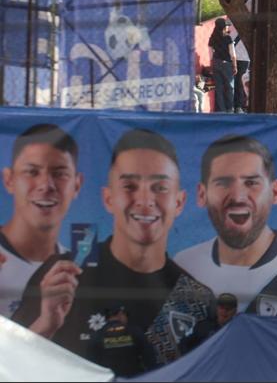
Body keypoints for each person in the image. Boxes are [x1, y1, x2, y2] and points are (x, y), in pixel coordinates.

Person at [13, 129, 213, 365]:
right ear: (108, 198)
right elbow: (11, 367)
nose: (145, 200)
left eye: (160, 188)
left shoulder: (195, 299)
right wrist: (45, 324)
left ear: (178, 202)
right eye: (129, 186)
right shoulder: (61, 275)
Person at [174, 135, 277, 318]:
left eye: (251, 183)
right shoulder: (183, 266)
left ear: (275, 192)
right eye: (223, 183)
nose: (238, 197)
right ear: (202, 194)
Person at [0, 125, 83, 318]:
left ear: (77, 185)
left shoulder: (77, 268)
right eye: (32, 172)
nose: (46, 186)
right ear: (9, 180)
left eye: (59, 173)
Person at [88, 305, 156, 376]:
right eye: (125, 315)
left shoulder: (97, 335)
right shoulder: (134, 331)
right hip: (133, 378)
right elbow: (149, 357)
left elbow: (91, 363)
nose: (126, 318)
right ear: (120, 314)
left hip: (109, 379)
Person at [208, 18, 237, 113]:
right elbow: (233, 54)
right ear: (223, 27)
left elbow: (210, 55)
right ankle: (230, 109)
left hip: (216, 63)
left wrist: (212, 65)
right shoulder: (228, 38)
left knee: (219, 88)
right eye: (226, 25)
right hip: (226, 64)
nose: (227, 27)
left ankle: (221, 110)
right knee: (230, 87)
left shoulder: (212, 38)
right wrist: (235, 66)